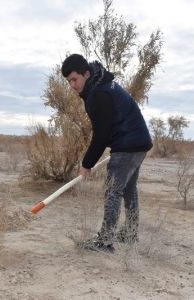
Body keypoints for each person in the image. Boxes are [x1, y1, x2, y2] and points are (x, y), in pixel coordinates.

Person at [61, 54, 152, 253]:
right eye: (69, 81)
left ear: (86, 74)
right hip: (138, 142)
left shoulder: (99, 94)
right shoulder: (100, 84)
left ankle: (105, 241)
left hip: (128, 145)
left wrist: (87, 164)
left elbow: (101, 135)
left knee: (113, 191)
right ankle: (130, 233)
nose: (72, 85)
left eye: (75, 80)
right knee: (128, 189)